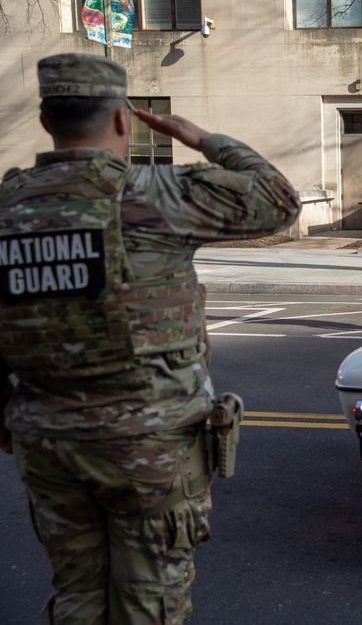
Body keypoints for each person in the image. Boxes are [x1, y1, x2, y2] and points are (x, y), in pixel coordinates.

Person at [0, 53, 301, 623]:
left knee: (76, 596)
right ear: (123, 120)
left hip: (47, 439)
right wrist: (203, 138)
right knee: (150, 604)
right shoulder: (156, 194)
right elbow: (278, 199)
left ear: (45, 121)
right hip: (148, 443)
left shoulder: (7, 206)